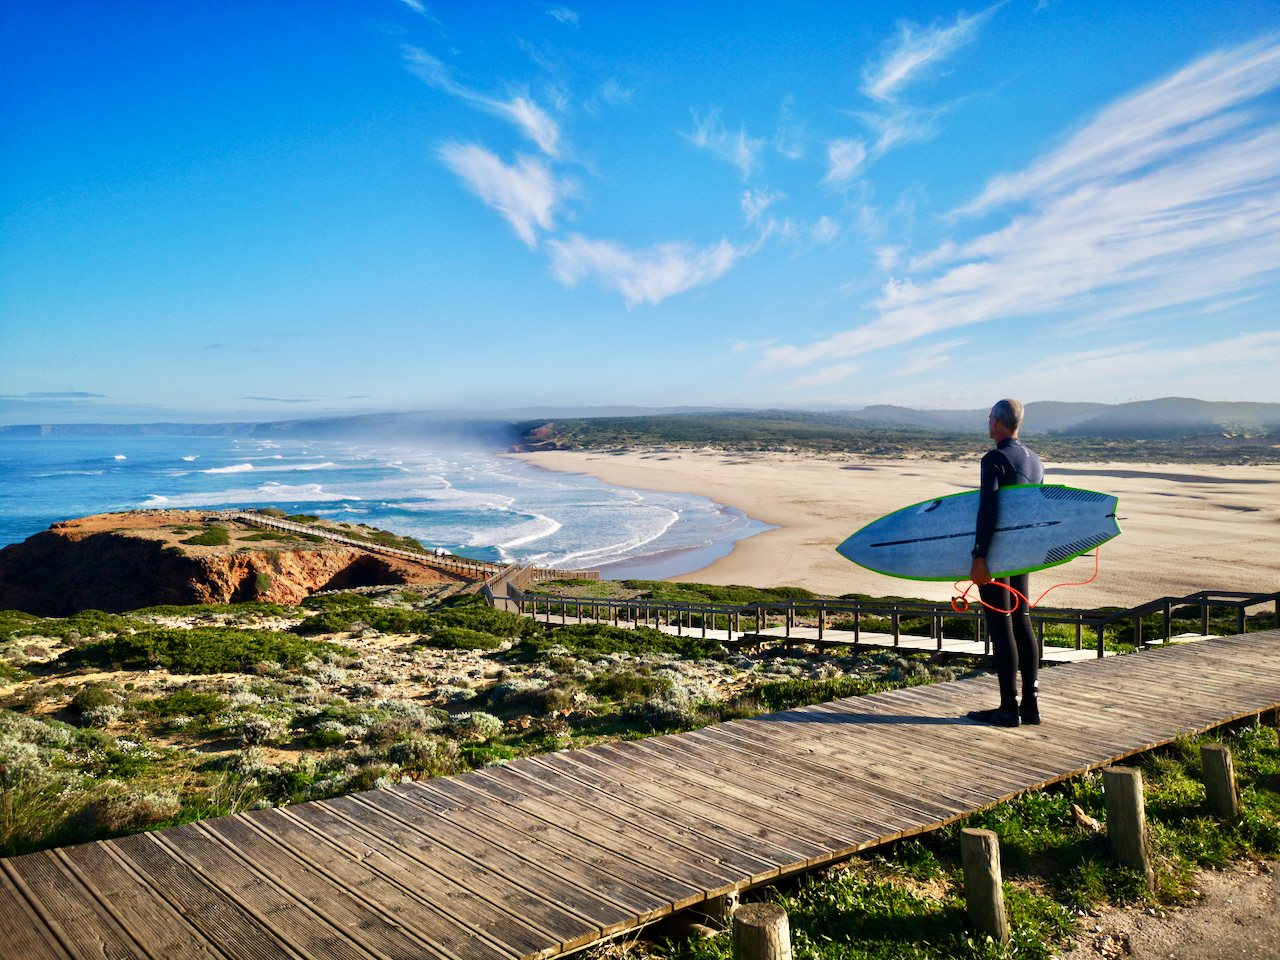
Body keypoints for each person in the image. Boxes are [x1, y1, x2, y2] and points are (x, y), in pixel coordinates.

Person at [967, 399, 1044, 728]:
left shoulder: (994, 458)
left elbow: (989, 509)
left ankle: (1007, 708)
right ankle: (1030, 705)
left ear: (997, 422)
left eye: (989, 418)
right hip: (1022, 553)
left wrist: (979, 556)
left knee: (1001, 626)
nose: (988, 422)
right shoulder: (1034, 460)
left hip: (998, 554)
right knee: (1023, 620)